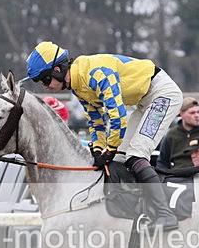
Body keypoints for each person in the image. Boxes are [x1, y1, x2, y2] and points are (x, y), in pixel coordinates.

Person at [25, 41, 182, 231]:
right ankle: (135, 210)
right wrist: (99, 150)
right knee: (118, 159)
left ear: (57, 70)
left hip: (162, 94)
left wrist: (110, 148)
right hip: (143, 102)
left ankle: (165, 214)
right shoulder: (78, 86)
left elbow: (118, 117)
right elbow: (96, 121)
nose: (45, 86)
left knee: (136, 155)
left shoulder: (95, 73)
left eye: (45, 80)